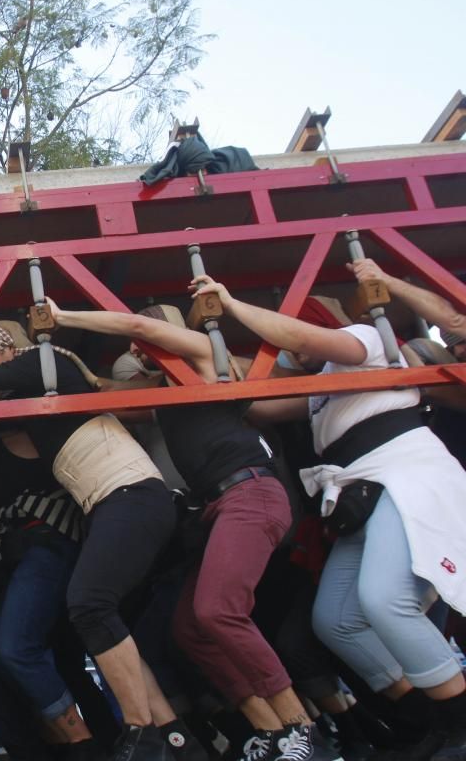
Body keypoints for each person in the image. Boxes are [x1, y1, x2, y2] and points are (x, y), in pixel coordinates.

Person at [192, 274, 466, 758]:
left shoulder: (366, 341)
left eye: (294, 334)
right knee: (336, 620)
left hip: (405, 476)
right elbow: (263, 408)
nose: (289, 352)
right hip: (362, 493)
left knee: (385, 602)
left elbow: (298, 338)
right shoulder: (324, 387)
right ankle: (425, 717)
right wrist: (204, 362)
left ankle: (456, 725)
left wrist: (230, 304)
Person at [0, 323, 179, 761]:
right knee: (41, 639)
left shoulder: (47, 364)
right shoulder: (29, 409)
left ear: (9, 349)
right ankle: (161, 733)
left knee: (82, 612)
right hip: (104, 508)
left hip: (115, 501)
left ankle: (133, 736)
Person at [45, 301, 317, 760]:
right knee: (189, 627)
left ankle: (300, 725)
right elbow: (104, 389)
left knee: (217, 610)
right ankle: (269, 730)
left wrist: (62, 318)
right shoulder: (160, 390)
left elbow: (133, 323)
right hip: (218, 506)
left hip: (252, 492)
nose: (135, 347)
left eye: (144, 337)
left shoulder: (204, 357)